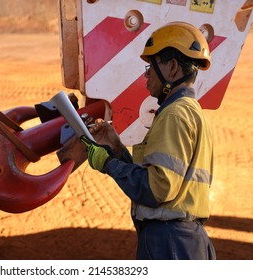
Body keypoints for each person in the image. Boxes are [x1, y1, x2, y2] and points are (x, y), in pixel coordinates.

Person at [80, 22, 216, 260]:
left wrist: (107, 164)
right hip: (183, 240)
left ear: (172, 67)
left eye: (151, 66)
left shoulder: (174, 115)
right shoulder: (190, 111)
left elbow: (156, 189)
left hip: (170, 242)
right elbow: (161, 177)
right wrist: (117, 149)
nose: (146, 74)